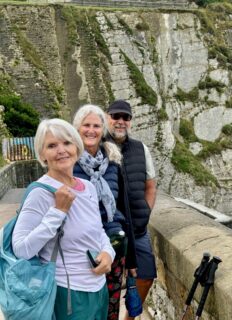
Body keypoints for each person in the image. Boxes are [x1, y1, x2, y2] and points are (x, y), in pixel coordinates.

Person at [12, 118, 115, 320]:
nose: (61, 150)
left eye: (67, 143)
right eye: (52, 145)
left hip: (98, 288)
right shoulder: (40, 193)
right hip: (66, 293)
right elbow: (21, 249)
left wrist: (108, 252)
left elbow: (98, 231)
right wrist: (57, 212)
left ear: (77, 147)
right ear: (42, 154)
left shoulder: (88, 187)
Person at [72, 104, 137, 320]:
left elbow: (123, 209)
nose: (91, 130)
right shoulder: (67, 162)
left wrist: (132, 260)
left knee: (111, 305)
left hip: (114, 244)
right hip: (81, 248)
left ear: (103, 130)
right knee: (84, 307)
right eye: (86, 125)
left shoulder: (112, 163)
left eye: (96, 126)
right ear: (77, 128)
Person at [105, 99, 157, 319]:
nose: (120, 121)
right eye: (116, 116)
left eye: (125, 117)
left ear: (130, 121)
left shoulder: (140, 148)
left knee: (146, 275)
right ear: (108, 118)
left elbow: (151, 185)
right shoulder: (98, 147)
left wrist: (145, 211)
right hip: (110, 232)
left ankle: (130, 317)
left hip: (138, 230)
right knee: (108, 285)